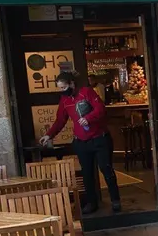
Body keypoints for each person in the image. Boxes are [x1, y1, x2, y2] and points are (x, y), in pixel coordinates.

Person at [39, 71, 121, 215]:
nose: (62, 91)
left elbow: (101, 109)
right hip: (81, 141)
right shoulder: (64, 100)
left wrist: (88, 118)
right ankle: (91, 203)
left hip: (100, 138)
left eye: (64, 87)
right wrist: (49, 135)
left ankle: (115, 200)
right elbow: (60, 120)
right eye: (60, 88)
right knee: (87, 173)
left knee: (106, 168)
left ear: (72, 84)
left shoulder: (86, 92)